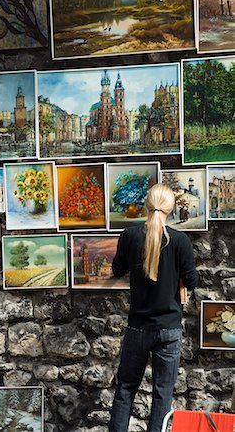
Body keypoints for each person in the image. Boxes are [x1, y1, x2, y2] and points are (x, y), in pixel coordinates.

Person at [109, 183, 199, 432]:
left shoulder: (130, 235)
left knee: (125, 389)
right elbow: (193, 281)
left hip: (138, 327)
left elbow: (117, 270)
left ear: (146, 205)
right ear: (171, 209)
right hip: (169, 329)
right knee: (162, 395)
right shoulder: (180, 240)